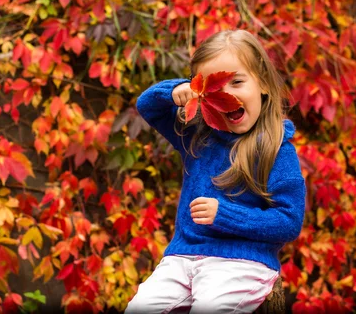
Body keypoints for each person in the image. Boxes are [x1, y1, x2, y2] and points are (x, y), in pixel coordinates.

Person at [125, 29, 306, 314]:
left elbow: (288, 221)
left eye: (237, 81)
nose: (228, 95)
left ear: (263, 84)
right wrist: (180, 90)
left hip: (241, 263)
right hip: (182, 258)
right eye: (214, 90)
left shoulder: (276, 149)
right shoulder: (197, 137)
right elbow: (147, 105)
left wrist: (225, 216)